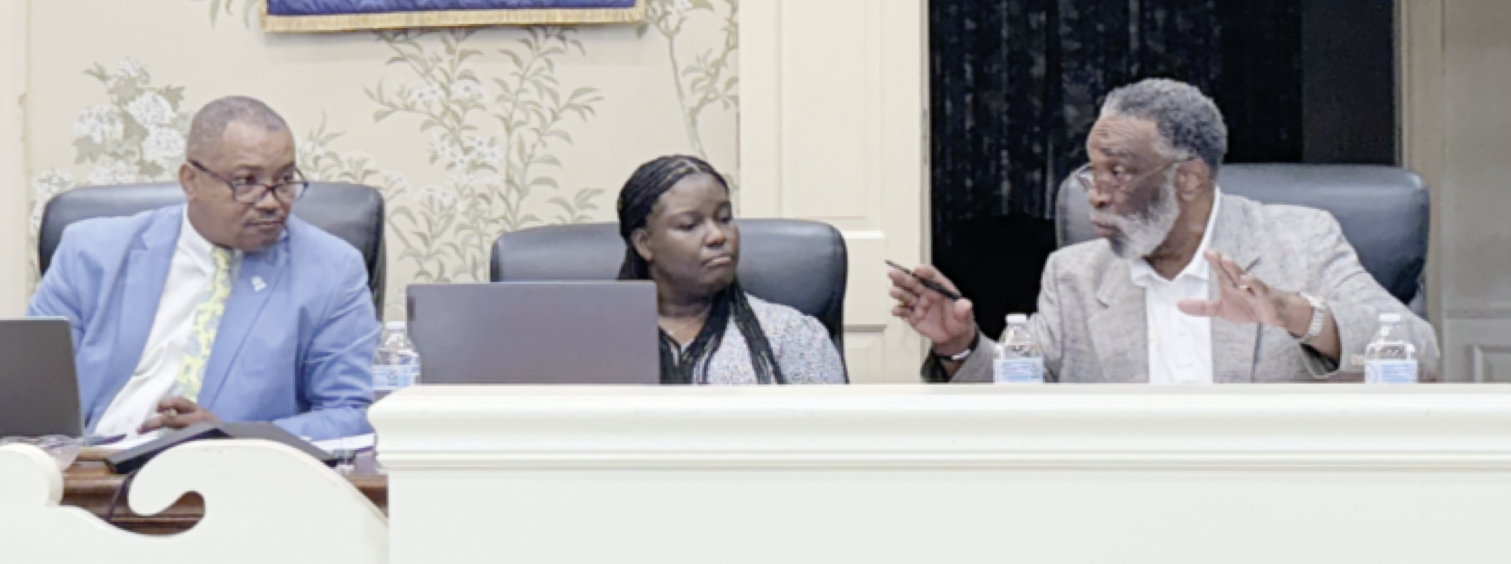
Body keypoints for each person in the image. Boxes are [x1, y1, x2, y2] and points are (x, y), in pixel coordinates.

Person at [889, 78, 1439, 383]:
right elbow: (1021, 398)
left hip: (1274, 498)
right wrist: (959, 345)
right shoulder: (1074, 275)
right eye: (1092, 172)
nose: (1096, 193)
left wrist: (1292, 313)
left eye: (1119, 172)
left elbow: (1420, 355)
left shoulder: (1300, 241)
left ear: (1188, 178)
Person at [29, 96, 377, 441]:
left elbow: (350, 412)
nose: (271, 202)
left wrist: (233, 436)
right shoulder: (90, 252)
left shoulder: (331, 271)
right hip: (90, 464)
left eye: (285, 180)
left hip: (231, 469)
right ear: (190, 181)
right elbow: (32, 391)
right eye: (246, 182)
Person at [616, 155, 847, 385]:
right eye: (690, 225)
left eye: (724, 218)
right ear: (644, 243)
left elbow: (831, 410)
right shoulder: (606, 337)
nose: (717, 236)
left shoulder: (791, 336)